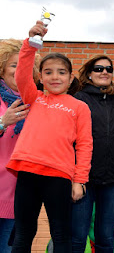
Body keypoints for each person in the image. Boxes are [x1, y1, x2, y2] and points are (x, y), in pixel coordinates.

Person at [6, 21, 93, 252]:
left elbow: (85, 145)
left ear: (71, 77)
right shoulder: (33, 97)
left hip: (59, 177)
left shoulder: (79, 107)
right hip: (27, 173)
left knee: (61, 234)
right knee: (24, 233)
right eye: (48, 72)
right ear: (40, 77)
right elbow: (22, 73)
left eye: (61, 72)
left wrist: (80, 180)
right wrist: (30, 44)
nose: (55, 77)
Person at [71, 54, 114, 253]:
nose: (104, 72)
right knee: (77, 236)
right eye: (98, 69)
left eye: (108, 69)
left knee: (107, 238)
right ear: (89, 74)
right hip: (83, 177)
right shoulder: (78, 99)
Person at [0, 38, 41, 253]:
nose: (19, 71)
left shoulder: (37, 102)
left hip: (20, 193)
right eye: (13, 65)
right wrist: (2, 122)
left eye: (23, 66)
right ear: (2, 68)